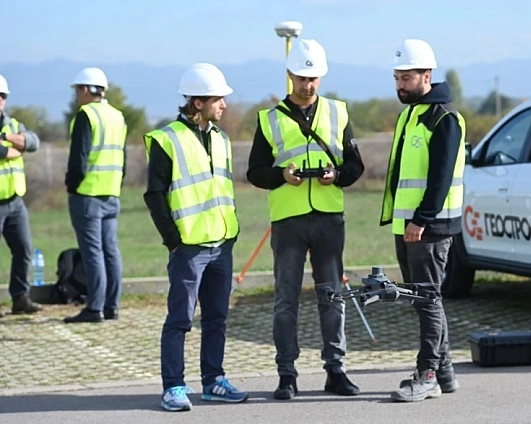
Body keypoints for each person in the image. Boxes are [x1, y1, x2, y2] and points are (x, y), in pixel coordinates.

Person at [247, 38, 365, 400]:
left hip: (329, 217)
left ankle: (336, 371)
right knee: (286, 300)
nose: (307, 84)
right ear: (289, 75)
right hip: (289, 221)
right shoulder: (269, 119)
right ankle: (287, 375)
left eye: (313, 78)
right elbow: (255, 172)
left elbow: (355, 166)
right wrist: (282, 175)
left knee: (332, 297)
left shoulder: (339, 113)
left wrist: (338, 175)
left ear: (321, 77)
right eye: (301, 77)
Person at [143, 62, 249, 412]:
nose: (225, 105)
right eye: (219, 99)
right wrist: (172, 239)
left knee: (217, 318)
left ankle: (213, 381)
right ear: (198, 102)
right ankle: (173, 387)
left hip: (222, 244)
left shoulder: (221, 139)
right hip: (188, 248)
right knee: (180, 320)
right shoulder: (166, 139)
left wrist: (230, 234)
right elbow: (154, 195)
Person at [379, 39, 465, 402]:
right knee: (422, 299)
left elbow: (440, 178)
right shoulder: (410, 114)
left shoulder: (444, 118)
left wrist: (421, 220)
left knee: (427, 299)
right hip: (409, 226)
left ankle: (427, 374)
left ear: (426, 75)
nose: (400, 84)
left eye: (406, 77)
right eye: (397, 77)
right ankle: (443, 373)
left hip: (428, 227)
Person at [63, 67, 127, 324]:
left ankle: (95, 308)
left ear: (86, 90)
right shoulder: (117, 117)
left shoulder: (86, 115)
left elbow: (78, 158)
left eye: (78, 90)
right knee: (111, 250)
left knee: (93, 253)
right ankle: (112, 306)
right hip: (111, 193)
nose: (76, 96)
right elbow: (122, 157)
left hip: (87, 194)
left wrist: (72, 185)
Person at [0, 74, 43, 318]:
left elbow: (33, 142)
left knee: (24, 249)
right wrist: (14, 150)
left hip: (15, 201)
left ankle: (19, 297)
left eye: (2, 96)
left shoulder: (13, 125)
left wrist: (7, 140)